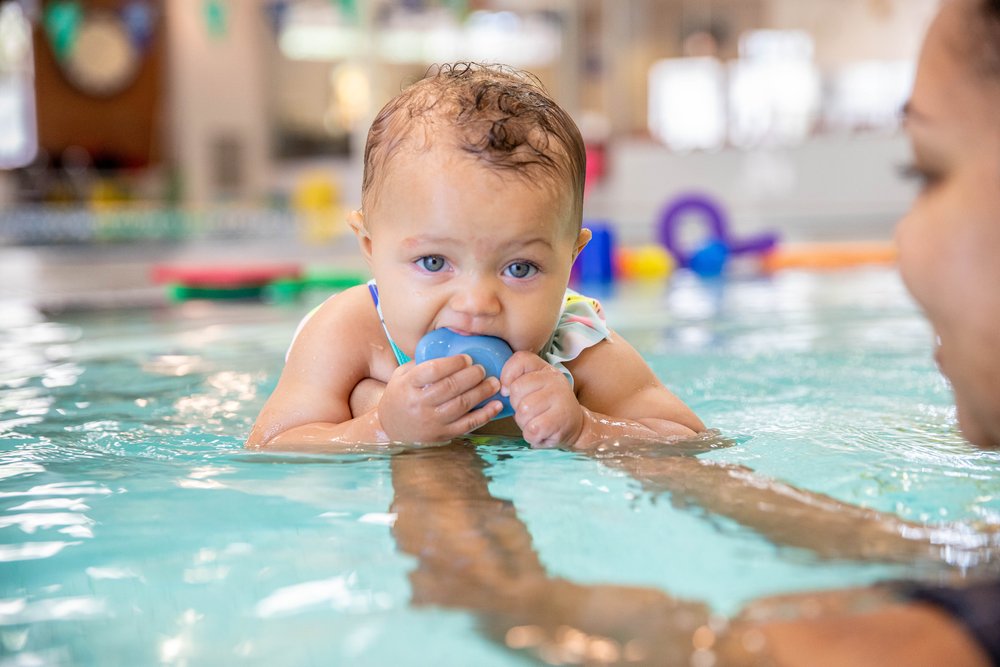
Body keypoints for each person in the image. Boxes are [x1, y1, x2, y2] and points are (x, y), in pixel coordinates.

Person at [246, 63, 703, 450]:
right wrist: (381, 427)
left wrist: (587, 428)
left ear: (571, 260)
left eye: (519, 268)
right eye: (433, 262)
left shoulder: (574, 345)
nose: (476, 303)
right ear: (370, 247)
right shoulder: (349, 331)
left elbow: (688, 438)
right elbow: (270, 443)